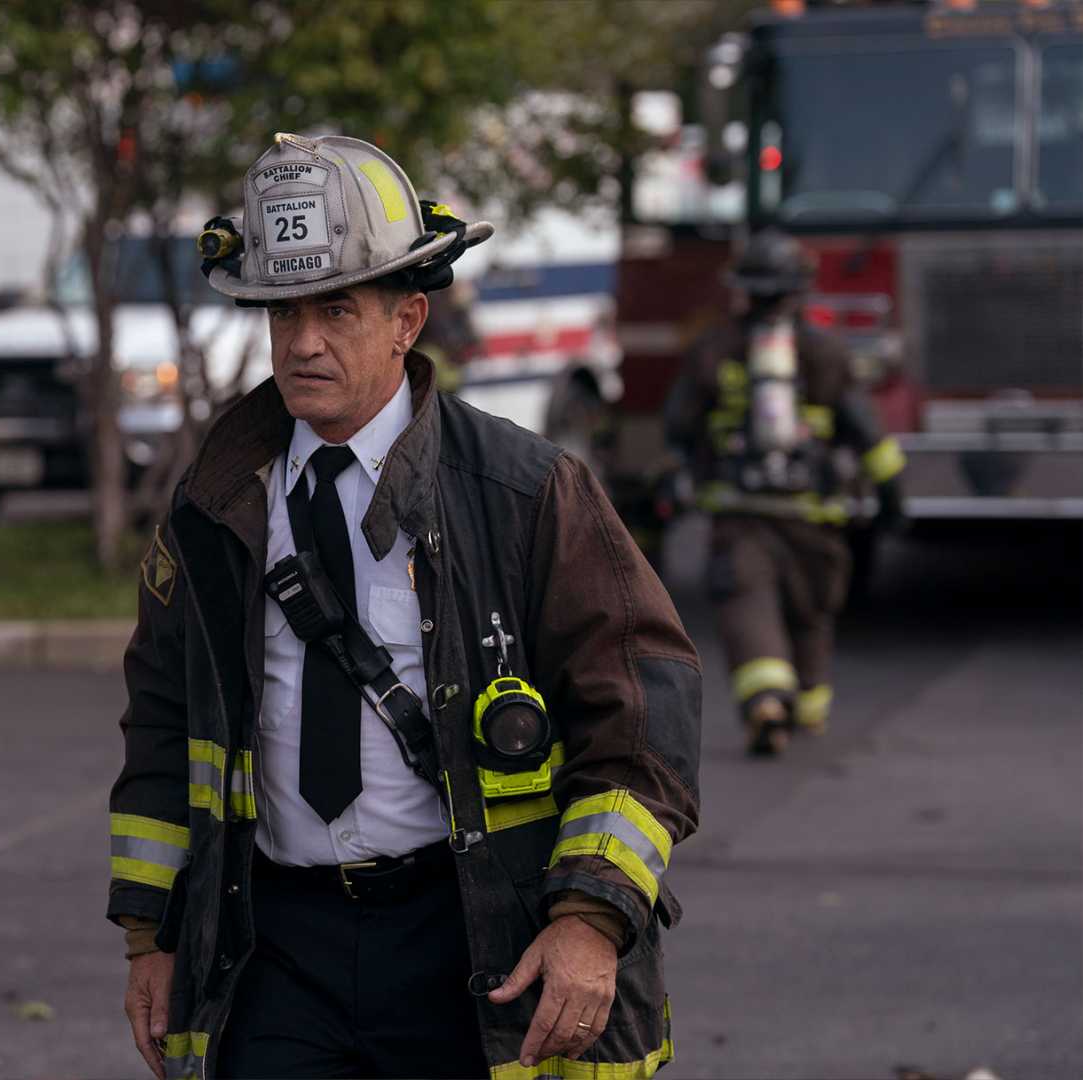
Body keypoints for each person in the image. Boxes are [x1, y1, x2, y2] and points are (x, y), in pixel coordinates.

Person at [109, 132, 701, 1080]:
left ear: (407, 319)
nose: (301, 343)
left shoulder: (523, 490)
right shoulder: (215, 505)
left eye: (336, 309)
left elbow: (641, 714)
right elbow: (163, 723)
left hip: (468, 937)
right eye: (281, 311)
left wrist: (589, 920)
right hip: (273, 944)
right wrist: (150, 937)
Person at [665, 229, 906, 755]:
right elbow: (864, 428)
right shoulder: (826, 351)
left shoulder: (712, 348)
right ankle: (809, 704)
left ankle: (766, 701)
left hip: (737, 512)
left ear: (744, 289)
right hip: (813, 516)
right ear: (801, 290)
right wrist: (891, 493)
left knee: (747, 604)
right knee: (810, 613)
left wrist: (680, 477)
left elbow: (678, 426)